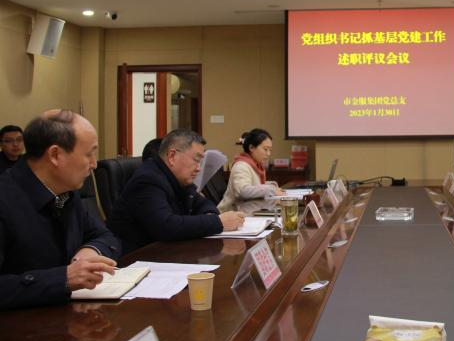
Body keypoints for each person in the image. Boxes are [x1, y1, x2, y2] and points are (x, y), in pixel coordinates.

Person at [0, 110, 120, 309]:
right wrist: (62, 278)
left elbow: (105, 236)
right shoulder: (6, 199)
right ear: (55, 155)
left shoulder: (65, 193)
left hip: (68, 315)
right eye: (89, 154)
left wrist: (90, 251)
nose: (94, 164)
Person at [108, 129, 245, 254]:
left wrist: (210, 217)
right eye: (196, 160)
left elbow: (204, 204)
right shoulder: (147, 180)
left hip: (168, 253)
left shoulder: (179, 179)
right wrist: (217, 223)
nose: (198, 168)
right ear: (172, 156)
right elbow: (166, 226)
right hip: (137, 260)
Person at [218, 128, 286, 215]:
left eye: (270, 150)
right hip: (231, 215)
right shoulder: (241, 166)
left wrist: (272, 186)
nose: (268, 154)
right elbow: (243, 191)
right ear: (251, 147)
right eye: (265, 149)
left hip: (248, 212)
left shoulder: (255, 165)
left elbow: (253, 184)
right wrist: (271, 189)